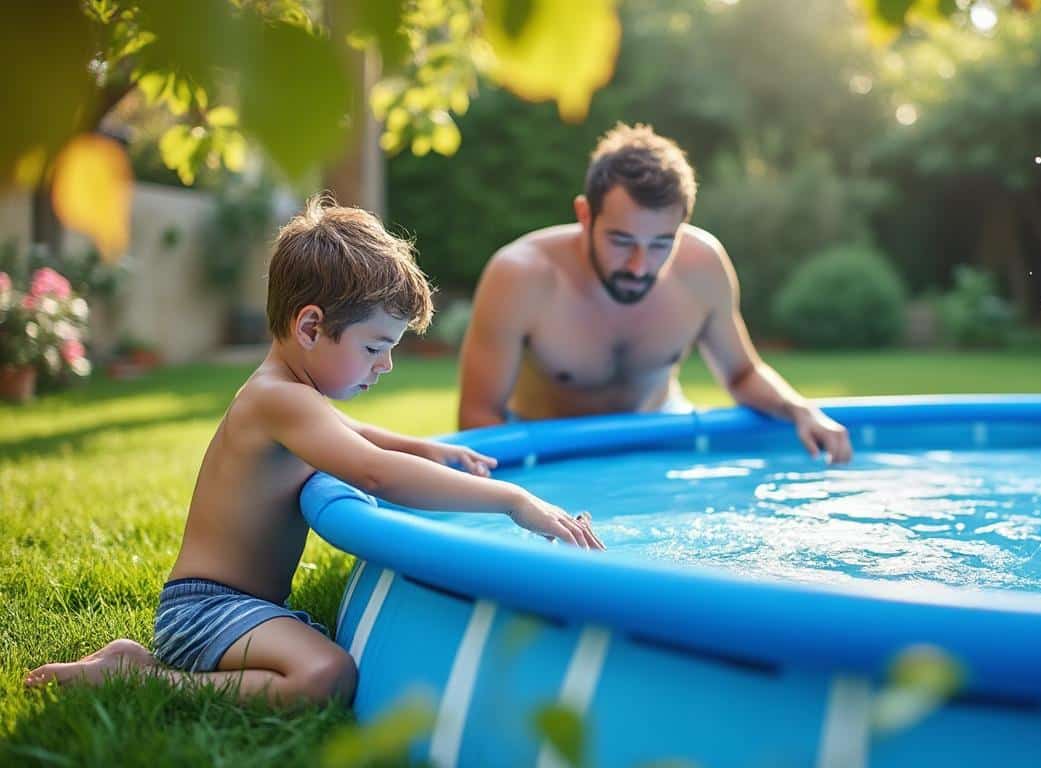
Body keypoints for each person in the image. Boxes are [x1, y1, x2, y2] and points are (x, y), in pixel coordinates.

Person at [24, 196, 602, 706]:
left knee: (326, 659)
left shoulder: (291, 393)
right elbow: (374, 473)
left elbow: (360, 436)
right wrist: (511, 501)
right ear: (309, 327)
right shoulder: (281, 400)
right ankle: (146, 679)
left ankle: (135, 662)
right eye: (376, 345)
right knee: (326, 674)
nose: (387, 364)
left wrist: (423, 448)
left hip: (229, 605)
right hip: (205, 610)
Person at [457, 123, 853, 463]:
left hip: (659, 443)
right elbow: (478, 414)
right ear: (584, 215)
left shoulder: (702, 265)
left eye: (662, 243)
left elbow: (742, 373)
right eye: (621, 240)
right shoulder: (522, 276)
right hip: (554, 452)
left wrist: (800, 410)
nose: (639, 265)